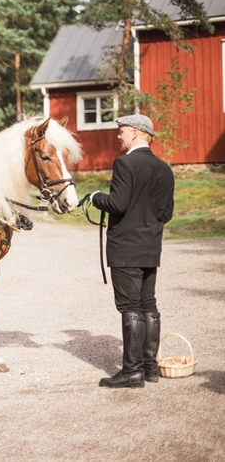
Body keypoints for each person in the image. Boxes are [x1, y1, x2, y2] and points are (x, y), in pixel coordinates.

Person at [88, 114, 175, 388]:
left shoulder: (125, 163)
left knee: (130, 307)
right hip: (151, 248)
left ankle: (132, 371)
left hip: (126, 248)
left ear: (136, 133)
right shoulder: (164, 168)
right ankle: (149, 368)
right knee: (148, 304)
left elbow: (117, 203)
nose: (118, 136)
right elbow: (168, 213)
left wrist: (95, 197)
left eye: (121, 131)